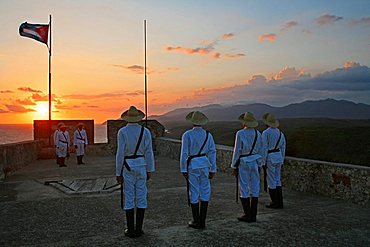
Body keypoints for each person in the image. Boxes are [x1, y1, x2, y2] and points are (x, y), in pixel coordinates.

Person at [116, 106, 155, 238]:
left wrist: (118, 172)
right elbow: (149, 152)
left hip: (127, 166)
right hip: (141, 165)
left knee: (129, 196)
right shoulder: (145, 131)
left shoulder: (122, 132)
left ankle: (130, 229)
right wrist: (150, 169)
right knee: (141, 195)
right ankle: (139, 229)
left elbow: (120, 153)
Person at [180, 111, 217, 229]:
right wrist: (213, 169)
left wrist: (183, 169)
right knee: (205, 190)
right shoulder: (208, 135)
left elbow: (184, 153)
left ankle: (196, 220)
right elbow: (212, 152)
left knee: (194, 191)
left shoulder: (187, 135)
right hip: (205, 164)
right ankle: (203, 221)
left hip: (193, 165)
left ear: (192, 122)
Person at [231, 112, 263, 223]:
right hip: (255, 161)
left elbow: (237, 151)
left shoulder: (240, 133)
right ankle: (253, 215)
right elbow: (261, 149)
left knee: (244, 186)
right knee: (254, 187)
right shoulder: (258, 134)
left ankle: (247, 213)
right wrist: (260, 164)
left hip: (244, 162)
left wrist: (234, 165)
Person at [262, 113, 286, 209]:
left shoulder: (266, 133)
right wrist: (282, 159)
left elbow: (264, 148)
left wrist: (263, 162)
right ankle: (280, 201)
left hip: (270, 157)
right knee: (277, 179)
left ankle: (274, 202)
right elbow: (283, 147)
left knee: (271, 180)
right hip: (278, 157)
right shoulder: (281, 133)